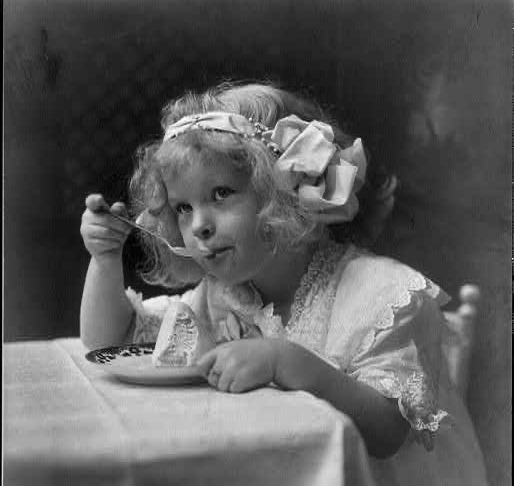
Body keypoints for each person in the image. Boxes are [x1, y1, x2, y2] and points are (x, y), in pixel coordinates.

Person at [80, 82, 488, 484]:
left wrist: (285, 361)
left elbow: (388, 432)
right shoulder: (225, 293)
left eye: (221, 193)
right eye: (183, 208)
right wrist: (105, 259)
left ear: (286, 196)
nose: (199, 225)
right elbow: (109, 343)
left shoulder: (381, 295)